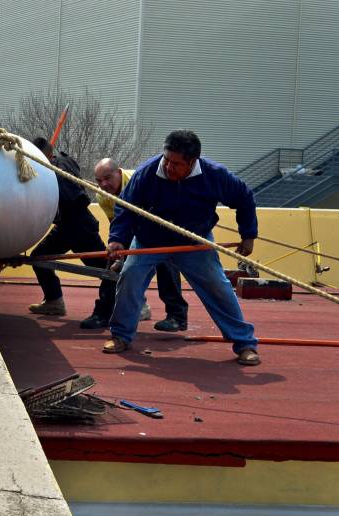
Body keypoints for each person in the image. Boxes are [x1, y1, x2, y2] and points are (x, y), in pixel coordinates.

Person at [104, 130, 260, 366]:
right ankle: (121, 335)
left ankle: (244, 343)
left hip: (193, 242)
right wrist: (117, 239)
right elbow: (125, 207)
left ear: (193, 162)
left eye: (176, 163)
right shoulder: (147, 173)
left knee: (218, 286)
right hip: (149, 240)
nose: (168, 166)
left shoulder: (214, 175)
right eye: (166, 159)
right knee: (129, 278)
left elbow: (244, 198)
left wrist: (248, 235)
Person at [27, 137, 117, 329]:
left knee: (107, 269)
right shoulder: (63, 159)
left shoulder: (56, 172)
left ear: (45, 155)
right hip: (70, 226)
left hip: (78, 227)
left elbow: (78, 200)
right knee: (39, 258)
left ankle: (137, 301)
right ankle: (54, 301)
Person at [94, 158, 189, 332]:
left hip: (159, 222)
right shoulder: (101, 195)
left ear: (119, 172)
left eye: (108, 178)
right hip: (131, 225)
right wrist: (118, 247)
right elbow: (115, 222)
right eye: (99, 181)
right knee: (113, 261)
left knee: (166, 263)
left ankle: (177, 315)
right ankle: (103, 312)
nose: (104, 184)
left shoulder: (138, 180)